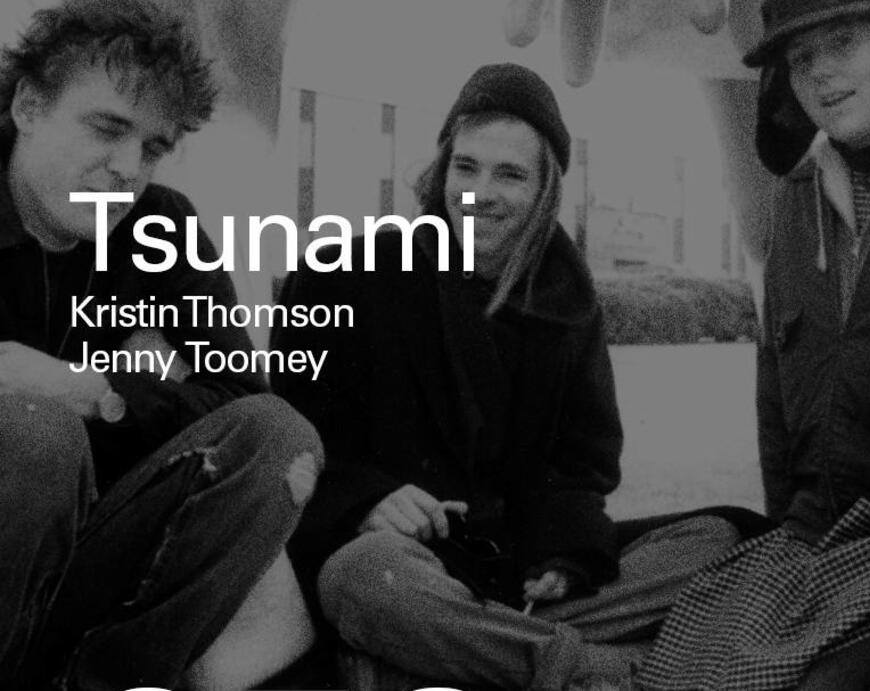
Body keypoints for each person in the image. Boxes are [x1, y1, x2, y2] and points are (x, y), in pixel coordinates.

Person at [271, 62, 743, 691]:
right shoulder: (343, 275)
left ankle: (442, 659)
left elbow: (580, 466)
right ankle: (596, 669)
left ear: (545, 189)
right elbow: (294, 440)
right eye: (465, 167)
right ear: (443, 169)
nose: (479, 192)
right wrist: (367, 500)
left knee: (721, 539)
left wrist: (565, 557)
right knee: (363, 579)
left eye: (510, 174)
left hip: (512, 573)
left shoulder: (569, 303)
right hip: (404, 563)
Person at [635, 1, 870, 690]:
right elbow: (773, 392)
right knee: (684, 666)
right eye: (800, 58)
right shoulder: (795, 195)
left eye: (842, 43)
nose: (819, 73)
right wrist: (788, 528)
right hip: (817, 536)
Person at [0, 1, 323, 689]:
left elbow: (239, 393)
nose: (128, 167)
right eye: (107, 128)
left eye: (152, 147)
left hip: (84, 549)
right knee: (34, 434)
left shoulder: (160, 225)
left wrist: (95, 391)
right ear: (28, 106)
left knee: (278, 437)